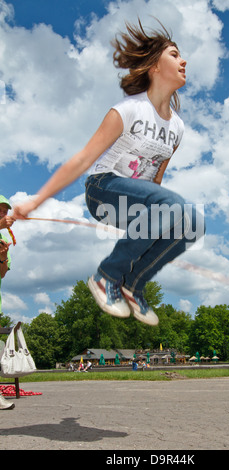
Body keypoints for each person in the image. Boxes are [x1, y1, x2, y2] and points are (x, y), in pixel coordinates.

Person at [13, 20, 204, 327]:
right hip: (103, 187)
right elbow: (82, 160)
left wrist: (150, 225)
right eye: (174, 54)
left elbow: (156, 181)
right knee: (174, 207)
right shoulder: (128, 110)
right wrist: (33, 202)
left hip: (136, 198)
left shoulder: (177, 128)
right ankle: (106, 276)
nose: (183, 61)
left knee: (192, 221)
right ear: (155, 66)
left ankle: (132, 285)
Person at [0, 195, 15, 410]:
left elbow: (2, 274)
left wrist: (3, 257)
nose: (4, 214)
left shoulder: (2, 242)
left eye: (5, 211)